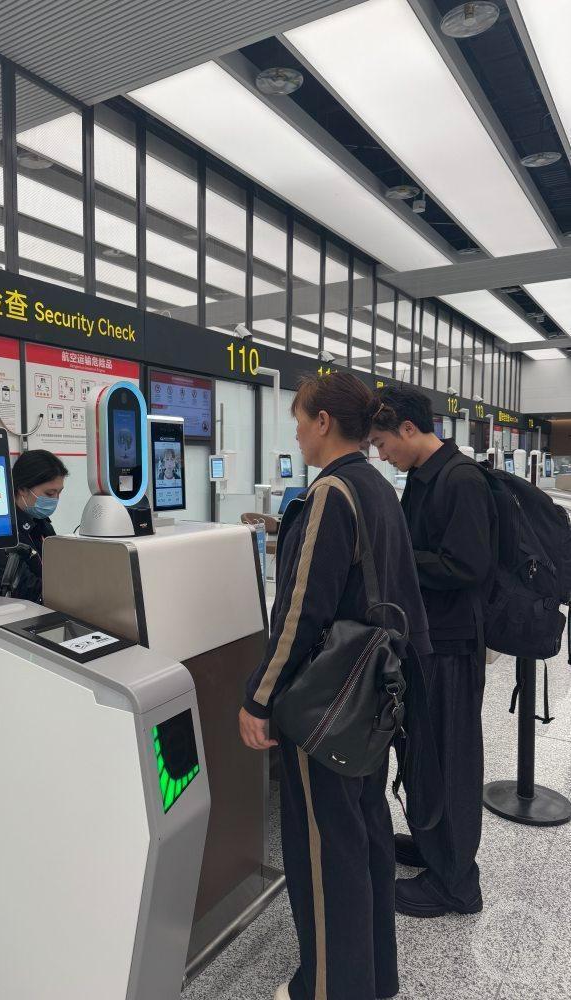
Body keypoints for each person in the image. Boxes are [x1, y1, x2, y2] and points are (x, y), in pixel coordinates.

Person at [239, 372, 431, 1000]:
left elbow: (300, 614)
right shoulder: (378, 488)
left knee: (324, 853)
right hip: (371, 700)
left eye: (300, 419)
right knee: (366, 836)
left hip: (327, 705)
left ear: (323, 421)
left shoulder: (330, 493)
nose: (296, 432)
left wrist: (259, 698)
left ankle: (327, 987)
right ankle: (373, 978)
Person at [370, 386, 496, 918]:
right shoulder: (423, 480)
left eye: (382, 443)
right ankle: (433, 846)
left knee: (451, 758)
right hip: (427, 642)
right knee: (424, 753)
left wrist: (397, 556)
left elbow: (468, 566)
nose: (381, 454)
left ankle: (457, 883)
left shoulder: (460, 480)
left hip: (452, 646)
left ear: (407, 428)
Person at [0, 449, 68, 603]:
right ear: (23, 489)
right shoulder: (1, 531)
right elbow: (25, 590)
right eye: (50, 494)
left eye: (59, 492)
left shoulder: (42, 523)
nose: (56, 499)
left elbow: (59, 570)